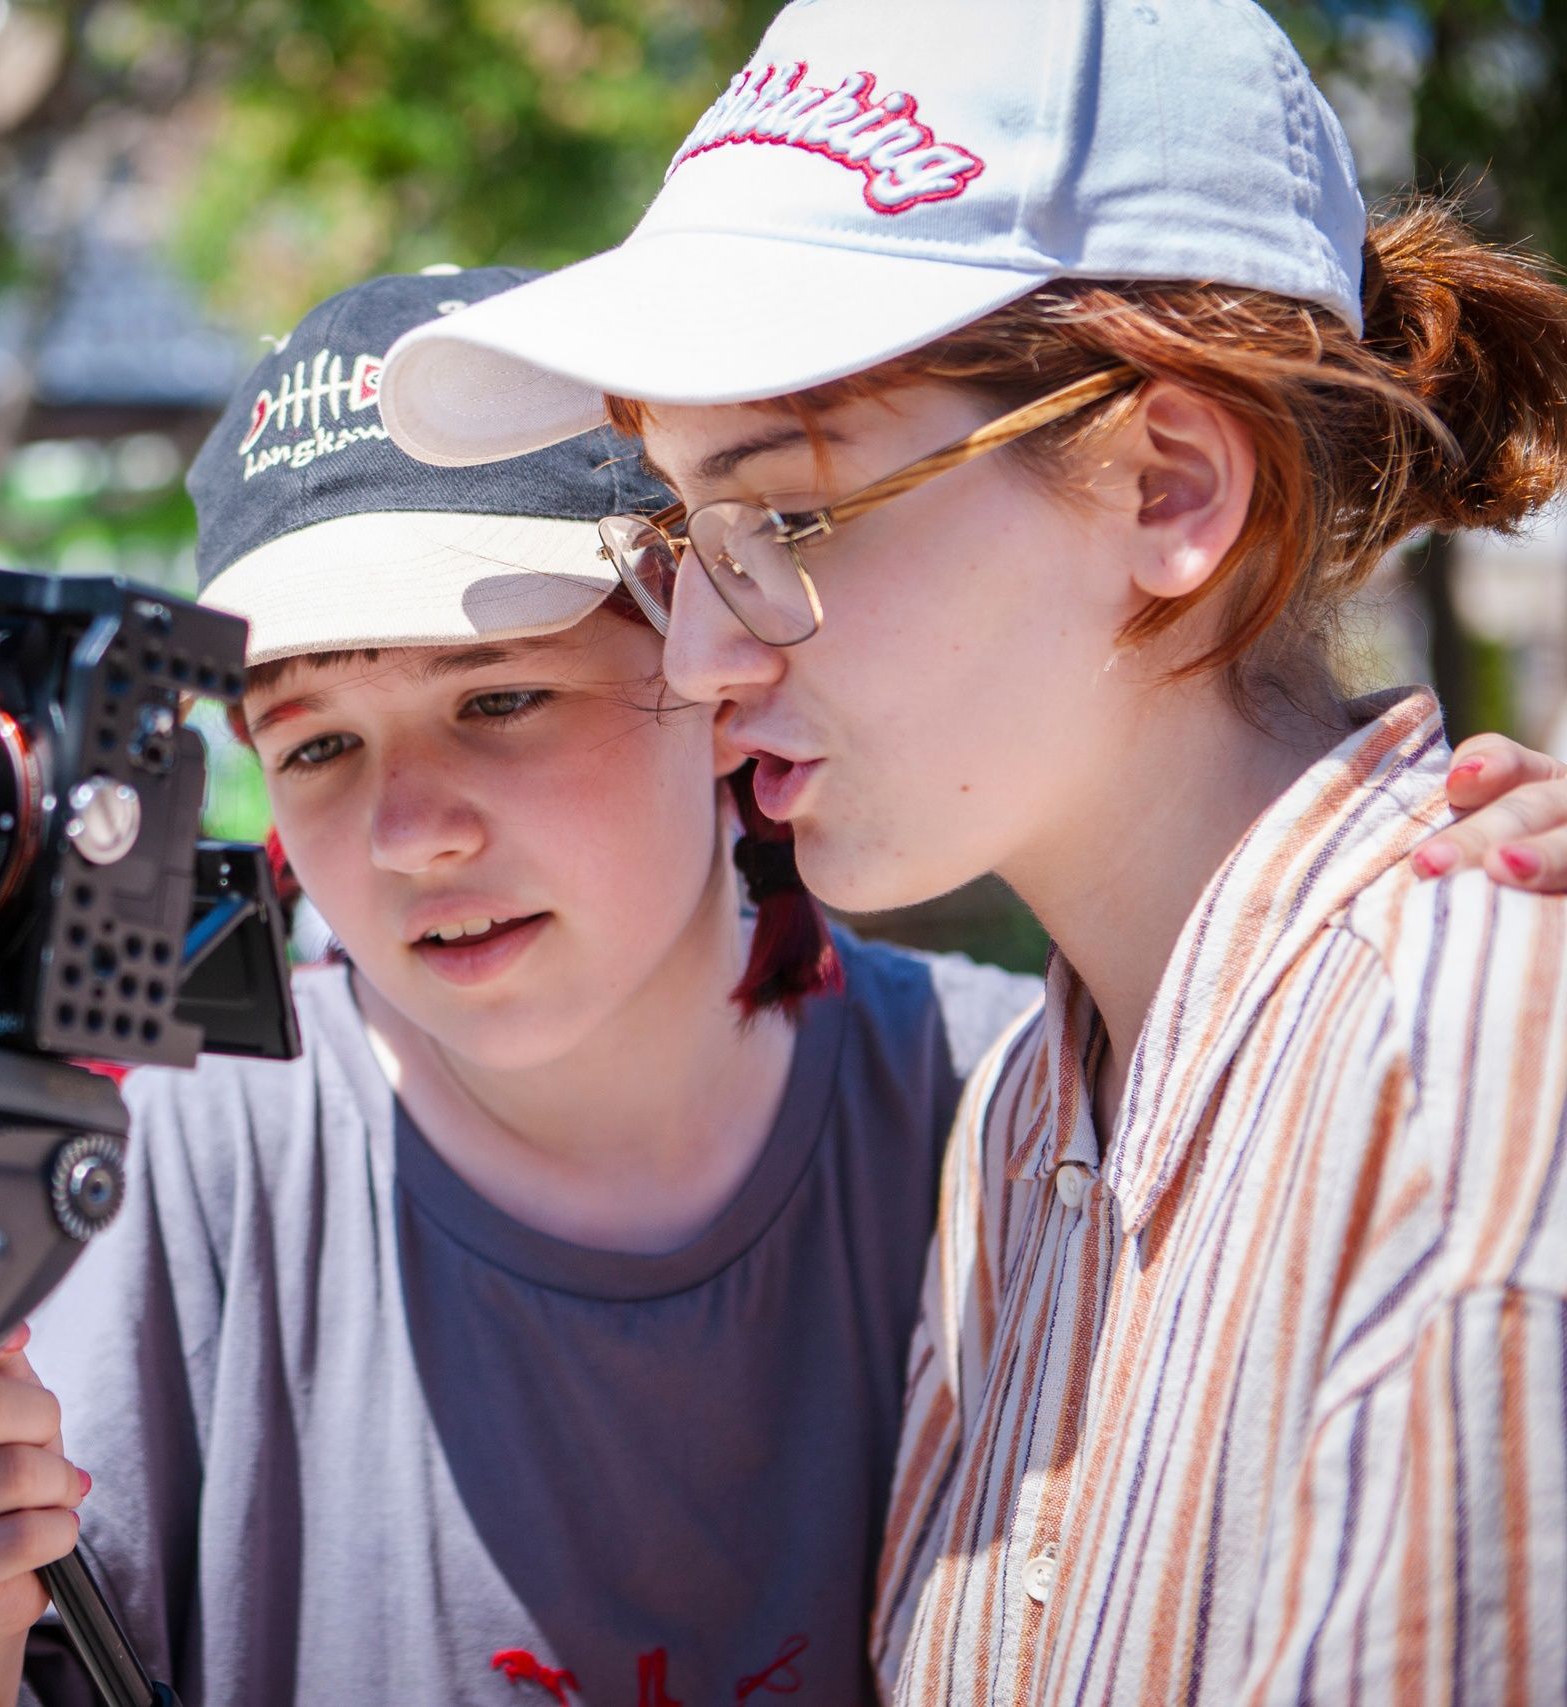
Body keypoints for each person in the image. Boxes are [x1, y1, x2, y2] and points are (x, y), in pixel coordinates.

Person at [0, 267, 1567, 1706]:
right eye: (314, 742)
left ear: (716, 666)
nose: (414, 829)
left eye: (503, 699)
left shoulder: (1022, 1121)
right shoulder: (158, 1166)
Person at [372, 1, 1567, 1699]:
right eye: (677, 535)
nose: (700, 660)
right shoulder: (1018, 1122)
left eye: (780, 519)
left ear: (1167, 487)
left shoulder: (1467, 1089)